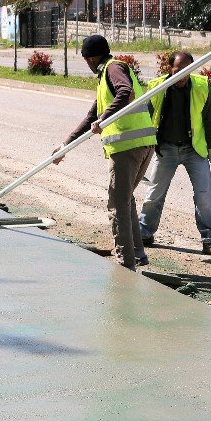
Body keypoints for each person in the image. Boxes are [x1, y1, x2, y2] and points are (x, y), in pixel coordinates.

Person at [52, 34, 156, 270]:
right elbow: (92, 115)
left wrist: (104, 118)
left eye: (86, 59)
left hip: (127, 147)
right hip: (143, 143)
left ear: (90, 58)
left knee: (117, 204)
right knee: (126, 199)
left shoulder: (114, 68)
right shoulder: (106, 76)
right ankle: (138, 254)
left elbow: (125, 92)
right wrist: (65, 145)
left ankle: (125, 263)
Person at [138, 51, 211, 257]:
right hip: (166, 149)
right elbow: (144, 119)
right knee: (154, 194)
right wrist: (142, 149)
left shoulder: (201, 86)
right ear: (169, 69)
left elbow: (210, 120)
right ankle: (144, 233)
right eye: (178, 71)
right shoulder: (157, 87)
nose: (183, 75)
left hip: (194, 149)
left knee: (204, 195)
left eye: (187, 70)